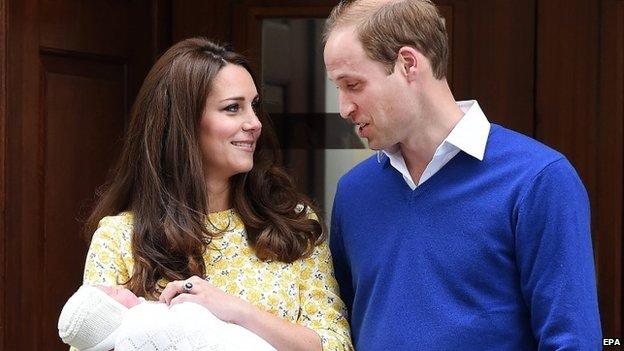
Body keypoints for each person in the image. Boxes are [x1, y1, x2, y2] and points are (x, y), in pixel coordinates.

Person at [323, 0, 602, 350]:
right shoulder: (354, 192)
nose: (344, 108)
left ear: (407, 64)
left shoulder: (538, 180)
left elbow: (572, 341)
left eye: (353, 85)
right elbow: (340, 328)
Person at [81, 37, 352, 351]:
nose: (254, 123)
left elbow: (336, 345)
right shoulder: (120, 238)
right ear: (183, 122)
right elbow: (91, 341)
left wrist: (235, 310)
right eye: (233, 108)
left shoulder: (292, 224)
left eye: (255, 106)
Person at [58, 284, 276, 351]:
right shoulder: (139, 328)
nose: (119, 286)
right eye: (113, 292)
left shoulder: (149, 313)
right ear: (111, 314)